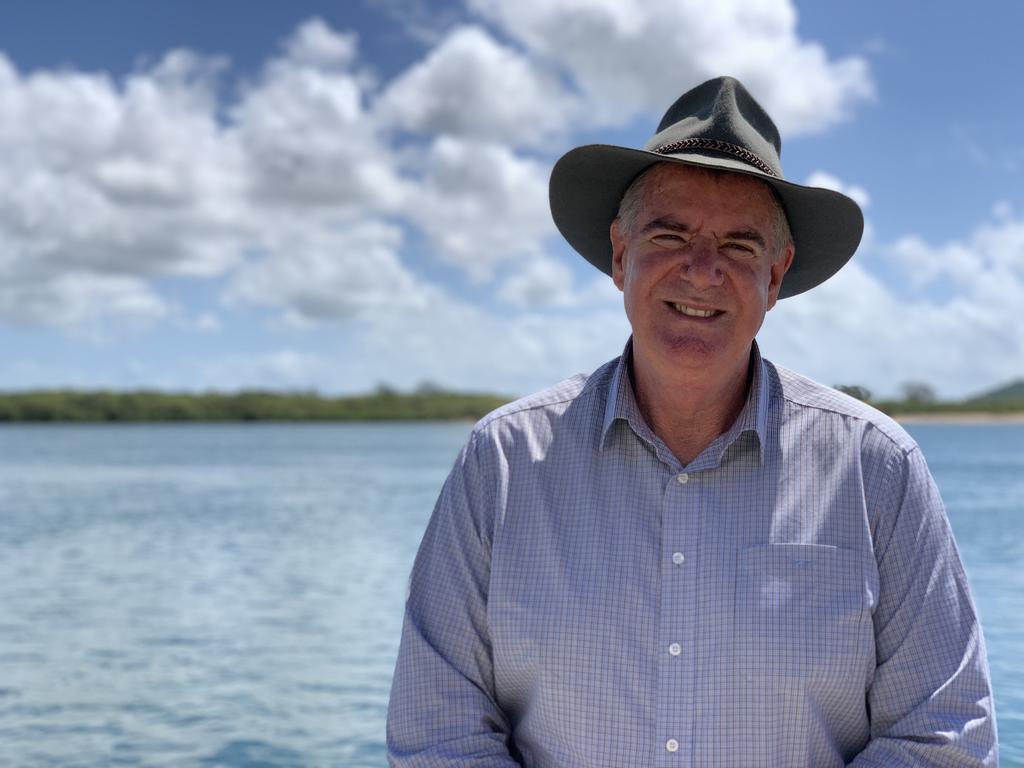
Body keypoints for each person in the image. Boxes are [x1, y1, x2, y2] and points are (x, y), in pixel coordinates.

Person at [386, 76, 998, 766]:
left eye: (739, 246)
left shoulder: (877, 465)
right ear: (621, 255)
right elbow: (438, 733)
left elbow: (943, 733)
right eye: (670, 234)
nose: (702, 271)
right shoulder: (500, 461)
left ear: (776, 274)